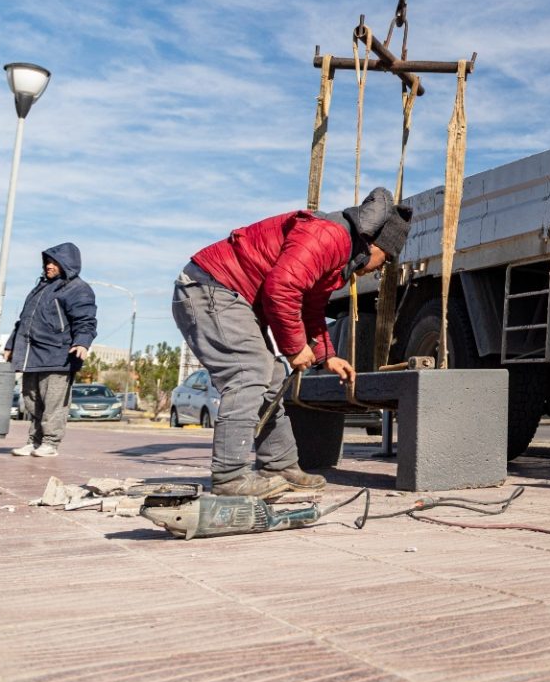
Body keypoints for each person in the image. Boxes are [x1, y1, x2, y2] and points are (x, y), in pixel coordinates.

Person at [171, 188, 411, 498]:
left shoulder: (339, 257)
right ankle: (230, 477)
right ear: (375, 244)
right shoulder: (330, 237)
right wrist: (295, 348)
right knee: (248, 373)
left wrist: (327, 357)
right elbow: (280, 290)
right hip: (209, 288)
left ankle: (280, 465)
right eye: (386, 260)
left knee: (270, 378)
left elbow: (310, 309)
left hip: (227, 294)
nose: (381, 268)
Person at [5, 243, 96, 457]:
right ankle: (34, 441)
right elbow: (23, 321)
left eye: (54, 262)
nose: (49, 265)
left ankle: (50, 443)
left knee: (53, 403)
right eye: (47, 261)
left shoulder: (77, 288)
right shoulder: (40, 288)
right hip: (31, 354)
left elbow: (86, 319)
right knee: (31, 400)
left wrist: (82, 342)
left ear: (67, 264)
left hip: (58, 355)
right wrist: (11, 345)